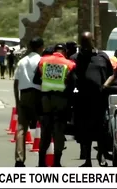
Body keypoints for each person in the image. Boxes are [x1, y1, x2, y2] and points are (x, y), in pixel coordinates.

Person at [71, 31, 114, 167]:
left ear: (93, 41)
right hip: (82, 100)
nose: (85, 45)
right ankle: (87, 160)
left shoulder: (102, 56)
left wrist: (105, 85)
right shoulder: (74, 58)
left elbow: (111, 75)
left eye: (87, 42)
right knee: (85, 131)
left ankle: (101, 155)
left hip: (99, 100)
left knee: (101, 129)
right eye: (82, 42)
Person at [33, 43, 76, 167]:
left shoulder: (43, 61)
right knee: (59, 132)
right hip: (61, 100)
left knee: (45, 131)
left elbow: (35, 80)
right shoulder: (69, 64)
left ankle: (41, 162)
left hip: (46, 100)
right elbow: (73, 84)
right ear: (65, 52)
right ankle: (56, 162)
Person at [13, 37, 44, 167]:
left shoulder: (22, 61)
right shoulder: (42, 61)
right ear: (40, 47)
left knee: (21, 129)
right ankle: (42, 159)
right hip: (38, 95)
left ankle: (19, 160)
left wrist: (17, 101)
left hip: (24, 95)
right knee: (43, 127)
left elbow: (16, 83)